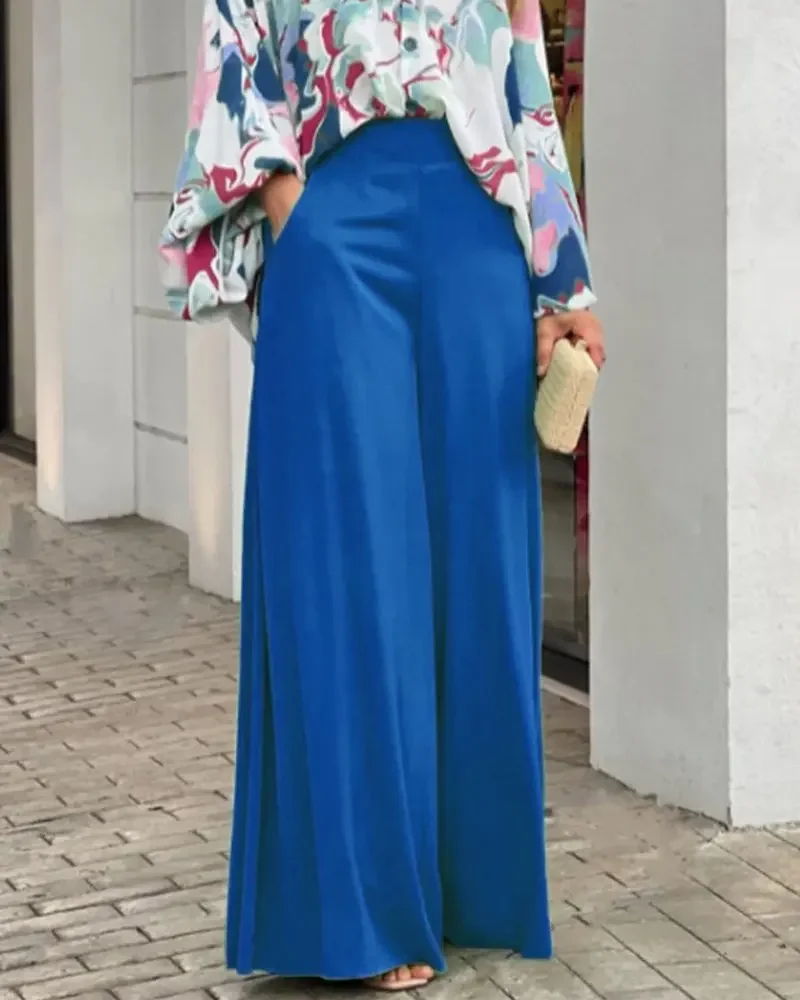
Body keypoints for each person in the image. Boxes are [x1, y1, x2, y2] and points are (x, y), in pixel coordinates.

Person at [161, 0, 605, 989]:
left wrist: (562, 284)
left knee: (477, 558)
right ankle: (363, 910)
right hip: (334, 212)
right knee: (345, 559)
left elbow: (521, 74)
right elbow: (235, 42)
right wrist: (294, 212)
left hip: (474, 223)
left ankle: (471, 886)